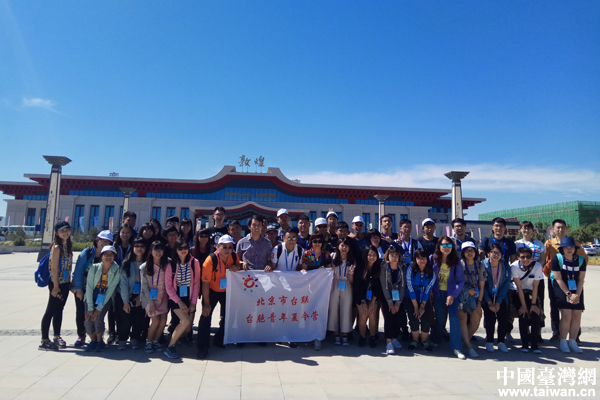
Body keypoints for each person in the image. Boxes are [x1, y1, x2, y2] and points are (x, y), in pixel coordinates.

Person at [544, 219, 588, 343]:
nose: (560, 230)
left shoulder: (575, 243)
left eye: (562, 227)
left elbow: (584, 258)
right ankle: (556, 333)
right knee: (555, 306)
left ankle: (575, 336)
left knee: (576, 308)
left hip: (573, 278)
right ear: (553, 229)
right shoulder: (549, 243)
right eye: (557, 227)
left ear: (566, 228)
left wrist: (578, 271)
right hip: (555, 279)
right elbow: (545, 259)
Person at [197, 235, 241, 359]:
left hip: (227, 290)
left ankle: (219, 339)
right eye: (224, 247)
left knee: (229, 316)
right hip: (211, 290)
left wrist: (238, 267)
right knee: (206, 316)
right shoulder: (210, 260)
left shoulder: (234, 256)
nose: (227, 249)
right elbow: (205, 283)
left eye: (230, 247)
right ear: (218, 247)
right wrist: (206, 303)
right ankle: (202, 347)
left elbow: (239, 266)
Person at [72, 230, 114, 348]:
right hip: (84, 287)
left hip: (101, 291)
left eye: (107, 242)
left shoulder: (110, 254)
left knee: (98, 315)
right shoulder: (87, 252)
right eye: (102, 240)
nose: (104, 243)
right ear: (97, 240)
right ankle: (81, 335)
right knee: (82, 312)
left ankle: (98, 338)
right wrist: (79, 288)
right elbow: (79, 270)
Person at [39, 221, 74, 351]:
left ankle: (56, 336)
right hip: (56, 284)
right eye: (62, 231)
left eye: (67, 230)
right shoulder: (57, 247)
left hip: (65, 283)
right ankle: (44, 340)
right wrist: (55, 286)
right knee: (50, 310)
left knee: (59, 310)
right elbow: (54, 268)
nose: (65, 233)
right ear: (56, 233)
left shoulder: (67, 245)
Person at [164, 238, 201, 358]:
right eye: (180, 248)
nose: (183, 250)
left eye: (186, 247)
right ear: (176, 250)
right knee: (185, 321)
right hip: (175, 298)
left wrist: (193, 303)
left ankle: (180, 338)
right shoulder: (171, 265)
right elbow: (169, 287)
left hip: (189, 296)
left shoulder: (194, 263)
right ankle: (170, 347)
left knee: (188, 327)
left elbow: (196, 284)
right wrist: (179, 302)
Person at [431, 236, 465, 359]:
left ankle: (457, 347)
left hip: (451, 294)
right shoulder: (432, 259)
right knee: (440, 319)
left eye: (449, 245)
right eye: (444, 245)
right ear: (439, 246)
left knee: (454, 318)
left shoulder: (456, 261)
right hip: (437, 293)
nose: (447, 248)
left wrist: (452, 295)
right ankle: (436, 339)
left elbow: (461, 281)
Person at [551, 237, 586, 353]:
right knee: (566, 315)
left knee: (577, 315)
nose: (569, 249)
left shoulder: (581, 260)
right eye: (566, 247)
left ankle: (572, 341)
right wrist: (569, 294)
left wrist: (577, 295)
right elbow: (558, 278)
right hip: (561, 287)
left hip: (576, 288)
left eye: (572, 247)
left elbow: (581, 279)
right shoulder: (557, 259)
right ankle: (563, 341)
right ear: (562, 248)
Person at [83, 245, 121, 352]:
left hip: (105, 297)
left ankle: (100, 341)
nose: (109, 257)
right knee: (88, 319)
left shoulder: (117, 270)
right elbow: (89, 287)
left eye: (111, 255)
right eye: (106, 254)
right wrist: (90, 307)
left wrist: (99, 308)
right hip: (91, 296)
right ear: (101, 256)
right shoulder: (94, 268)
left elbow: (111, 290)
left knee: (98, 318)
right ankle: (92, 341)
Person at [515, 220, 546, 343]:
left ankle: (537, 332)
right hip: (522, 278)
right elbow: (514, 260)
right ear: (520, 230)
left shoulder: (538, 243)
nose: (526, 230)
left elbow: (542, 259)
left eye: (529, 228)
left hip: (537, 277)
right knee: (524, 305)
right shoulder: (517, 244)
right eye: (524, 228)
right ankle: (526, 332)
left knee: (538, 304)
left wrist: (533, 267)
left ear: (533, 230)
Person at [511, 247, 543, 354]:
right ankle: (524, 344)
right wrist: (524, 306)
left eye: (528, 257)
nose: (525, 259)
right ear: (518, 257)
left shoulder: (537, 266)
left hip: (532, 291)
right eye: (522, 257)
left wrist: (533, 304)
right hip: (518, 292)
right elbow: (519, 287)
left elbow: (536, 286)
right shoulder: (514, 266)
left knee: (535, 315)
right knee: (523, 315)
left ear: (532, 257)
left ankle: (534, 344)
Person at [118, 237, 149, 350]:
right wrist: (126, 301)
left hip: (141, 295)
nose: (139, 248)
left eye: (142, 246)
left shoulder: (148, 264)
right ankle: (122, 339)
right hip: (126, 295)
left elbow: (149, 283)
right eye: (136, 246)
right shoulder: (126, 263)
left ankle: (135, 338)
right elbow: (123, 284)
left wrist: (140, 296)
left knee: (139, 319)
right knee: (126, 320)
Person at [457, 242, 486, 358]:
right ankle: (469, 347)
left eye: (472, 250)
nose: (470, 253)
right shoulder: (458, 265)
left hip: (475, 297)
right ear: (463, 252)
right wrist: (466, 291)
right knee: (463, 319)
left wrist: (479, 302)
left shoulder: (480, 266)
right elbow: (454, 283)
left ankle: (465, 341)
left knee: (476, 320)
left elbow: (482, 287)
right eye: (467, 250)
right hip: (461, 297)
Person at [140, 241, 170, 354]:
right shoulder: (144, 267)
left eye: (161, 250)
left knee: (163, 321)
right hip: (151, 299)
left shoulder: (167, 263)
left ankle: (156, 341)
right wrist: (151, 303)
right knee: (155, 321)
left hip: (163, 297)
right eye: (156, 250)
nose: (158, 252)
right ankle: (148, 342)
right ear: (151, 251)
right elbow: (144, 287)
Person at [482, 243, 512, 353]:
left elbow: (506, 284)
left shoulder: (505, 266)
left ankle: (501, 342)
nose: (496, 255)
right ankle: (489, 341)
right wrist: (489, 302)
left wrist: (498, 302)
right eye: (493, 252)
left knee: (503, 318)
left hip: (501, 295)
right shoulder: (483, 265)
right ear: (488, 253)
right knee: (490, 318)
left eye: (498, 253)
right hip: (487, 295)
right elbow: (482, 286)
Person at [108, 224, 134, 345]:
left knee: (121, 309)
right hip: (113, 281)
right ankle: (112, 333)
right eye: (123, 232)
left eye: (127, 232)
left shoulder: (133, 247)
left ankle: (120, 334)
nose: (125, 235)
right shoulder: (114, 247)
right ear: (119, 233)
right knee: (112, 309)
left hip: (126, 282)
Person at [405, 249, 436, 352]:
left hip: (424, 299)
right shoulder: (410, 269)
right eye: (419, 258)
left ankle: (424, 341)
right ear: (415, 259)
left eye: (424, 258)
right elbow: (410, 287)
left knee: (426, 319)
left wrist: (422, 305)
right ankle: (415, 341)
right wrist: (415, 306)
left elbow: (428, 289)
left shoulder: (431, 271)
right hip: (411, 298)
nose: (421, 260)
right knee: (414, 319)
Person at [328, 238, 355, 347]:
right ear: (338, 246)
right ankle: (335, 334)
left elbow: (351, 281)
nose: (344, 248)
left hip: (346, 284)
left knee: (346, 309)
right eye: (342, 245)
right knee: (333, 309)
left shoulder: (352, 259)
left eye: (346, 246)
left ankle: (345, 334)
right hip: (334, 284)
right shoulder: (332, 256)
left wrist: (351, 274)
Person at [353, 246, 382, 348]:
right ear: (365, 256)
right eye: (369, 255)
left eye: (374, 255)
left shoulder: (378, 267)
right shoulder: (360, 268)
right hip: (360, 296)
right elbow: (357, 286)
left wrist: (373, 302)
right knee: (363, 314)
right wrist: (364, 302)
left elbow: (378, 287)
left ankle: (372, 337)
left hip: (373, 295)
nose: (372, 257)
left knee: (372, 313)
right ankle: (362, 336)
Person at [379, 246, 406, 355]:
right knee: (389, 317)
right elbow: (384, 286)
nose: (394, 258)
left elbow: (403, 286)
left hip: (398, 295)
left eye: (396, 256)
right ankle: (388, 342)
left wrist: (398, 303)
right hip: (386, 296)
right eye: (392, 255)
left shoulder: (402, 267)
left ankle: (394, 338)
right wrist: (390, 302)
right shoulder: (383, 267)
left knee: (397, 317)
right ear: (388, 256)